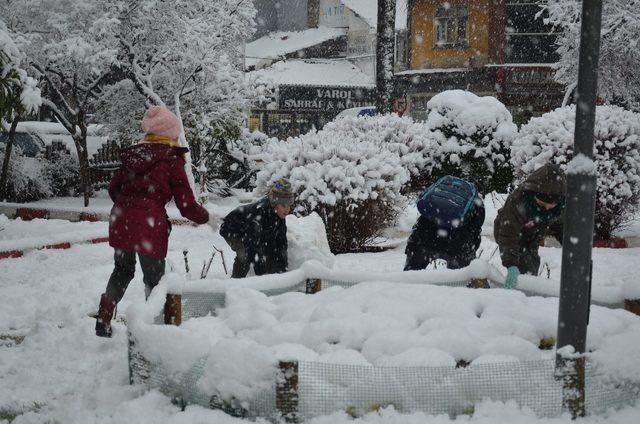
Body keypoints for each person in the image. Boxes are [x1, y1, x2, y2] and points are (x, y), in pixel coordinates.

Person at [95, 106, 213, 338]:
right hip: (149, 225)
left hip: (121, 220)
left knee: (122, 270)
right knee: (155, 280)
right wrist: (207, 217)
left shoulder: (132, 156)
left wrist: (129, 209)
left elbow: (113, 188)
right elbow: (186, 206)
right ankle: (153, 330)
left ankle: (104, 316)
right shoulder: (170, 159)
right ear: (170, 133)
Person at [494, 164, 566, 289]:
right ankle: (516, 297)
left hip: (533, 236)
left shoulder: (559, 207)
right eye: (542, 205)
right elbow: (508, 233)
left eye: (550, 206)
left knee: (531, 265)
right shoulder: (518, 200)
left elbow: (562, 228)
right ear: (535, 196)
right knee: (523, 267)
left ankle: (526, 294)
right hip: (507, 230)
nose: (547, 209)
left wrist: (573, 249)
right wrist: (511, 264)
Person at [404, 176, 485, 271]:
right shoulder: (477, 203)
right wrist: (470, 251)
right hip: (457, 245)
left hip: (422, 238)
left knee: (411, 277)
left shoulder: (439, 190)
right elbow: (475, 231)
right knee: (458, 281)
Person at [220, 179, 294, 278]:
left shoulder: (279, 215)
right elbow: (252, 247)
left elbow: (281, 243)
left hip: (250, 232)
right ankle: (235, 283)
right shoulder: (259, 214)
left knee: (271, 248)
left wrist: (282, 271)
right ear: (275, 203)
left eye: (289, 205)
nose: (287, 209)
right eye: (284, 205)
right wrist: (262, 279)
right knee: (245, 255)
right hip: (233, 229)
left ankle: (274, 278)